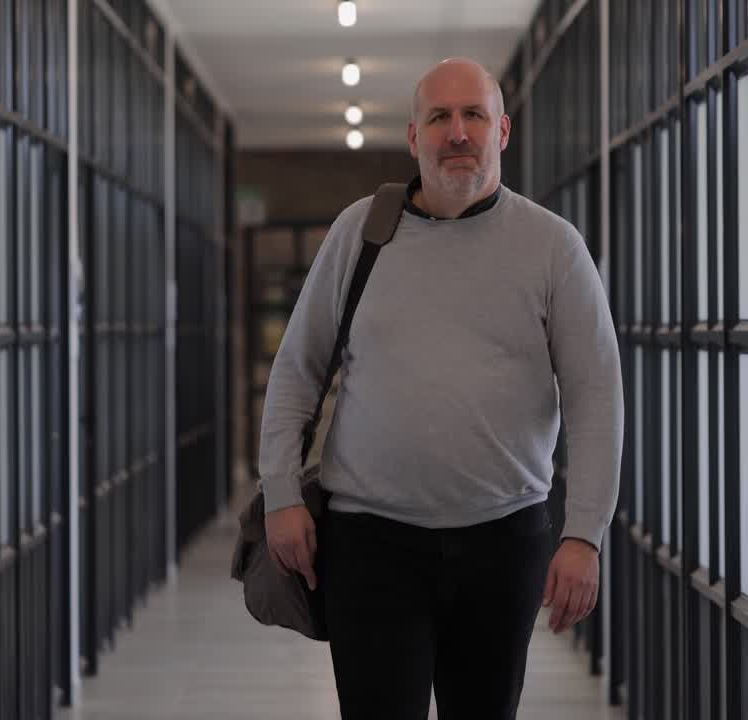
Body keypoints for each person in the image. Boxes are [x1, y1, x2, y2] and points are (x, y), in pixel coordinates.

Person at [257, 57, 623, 719]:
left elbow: (597, 396)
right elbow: (296, 371)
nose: (458, 132)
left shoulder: (553, 248)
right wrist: (282, 495)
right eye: (440, 117)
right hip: (371, 545)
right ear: (413, 137)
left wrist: (585, 535)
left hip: (504, 545)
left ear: (502, 131)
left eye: (474, 115)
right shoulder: (359, 235)